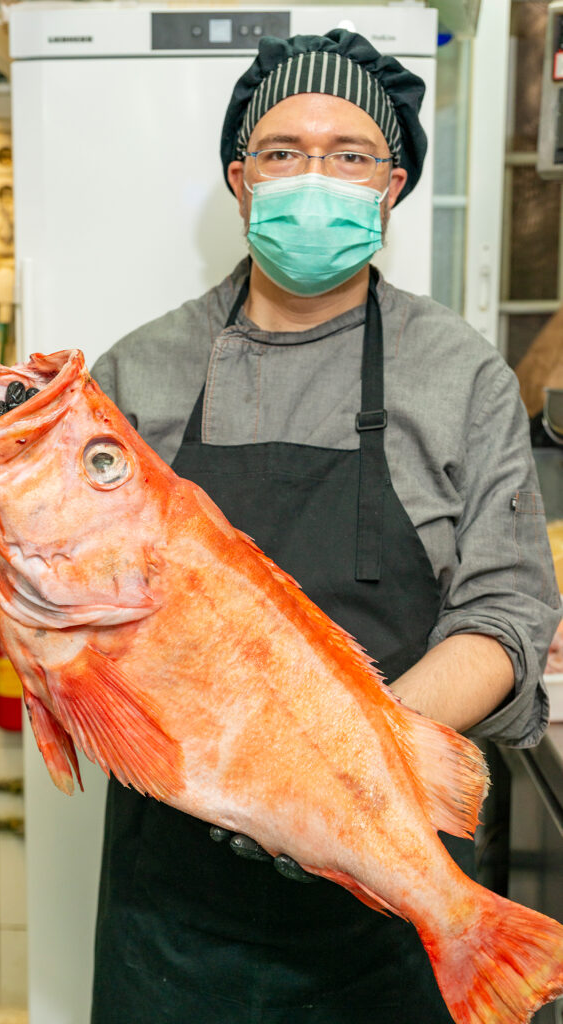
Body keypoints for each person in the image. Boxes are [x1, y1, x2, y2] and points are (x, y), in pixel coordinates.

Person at [90, 28, 561, 1024]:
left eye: (350, 155)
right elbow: (86, 607)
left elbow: (510, 605)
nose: (317, 175)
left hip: (387, 899)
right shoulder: (139, 373)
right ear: (240, 178)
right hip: (177, 905)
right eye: (284, 151)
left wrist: (346, 764)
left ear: (390, 188)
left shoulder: (461, 376)